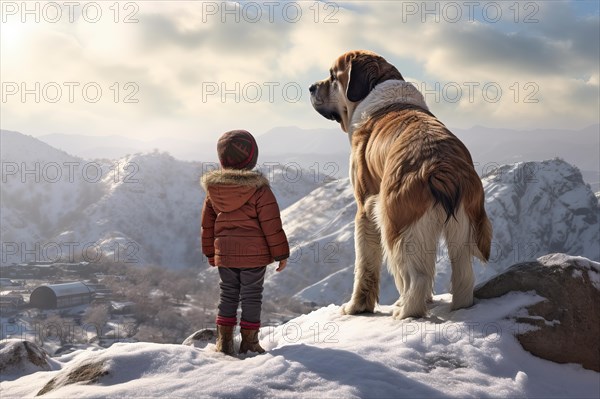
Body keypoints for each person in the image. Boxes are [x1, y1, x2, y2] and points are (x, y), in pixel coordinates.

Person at [201, 130, 289, 355]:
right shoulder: (259, 190)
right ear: (252, 159)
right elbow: (271, 224)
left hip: (226, 254)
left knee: (228, 293)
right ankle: (249, 343)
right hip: (254, 254)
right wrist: (281, 254)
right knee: (251, 295)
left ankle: (224, 342)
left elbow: (207, 225)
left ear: (222, 159)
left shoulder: (214, 191)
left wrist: (211, 252)